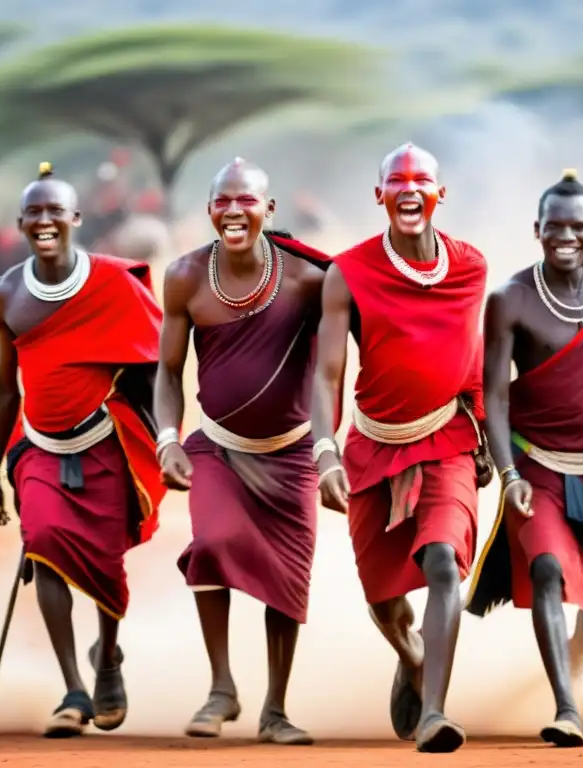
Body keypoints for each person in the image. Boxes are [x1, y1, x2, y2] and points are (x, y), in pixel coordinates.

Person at [311, 143, 492, 754]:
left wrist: (492, 439)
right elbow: (327, 374)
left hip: (447, 440)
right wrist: (325, 451)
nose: (409, 190)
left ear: (441, 194)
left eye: (422, 181)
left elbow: (478, 359)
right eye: (397, 181)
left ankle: (436, 712)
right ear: (379, 195)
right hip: (373, 446)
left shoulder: (471, 267)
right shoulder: (348, 273)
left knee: (443, 562)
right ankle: (410, 653)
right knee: (385, 602)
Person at [466, 169, 583, 747]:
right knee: (548, 568)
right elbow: (493, 394)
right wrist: (508, 474)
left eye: (578, 226)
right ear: (537, 230)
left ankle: (576, 652)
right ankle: (566, 707)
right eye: (555, 226)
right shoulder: (510, 299)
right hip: (536, 466)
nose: (565, 235)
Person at [0, 162, 166, 738]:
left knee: (106, 564)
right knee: (44, 542)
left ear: (76, 219)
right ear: (19, 223)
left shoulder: (114, 285)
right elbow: (5, 386)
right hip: (37, 447)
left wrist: (169, 442)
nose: (44, 221)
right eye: (33, 212)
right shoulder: (3, 294)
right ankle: (73, 691)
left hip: (104, 445)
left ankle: (107, 658)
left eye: (55, 211)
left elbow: (154, 372)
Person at [155, 158, 332, 746]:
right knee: (211, 543)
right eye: (222, 202)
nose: (234, 211)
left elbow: (339, 365)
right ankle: (222, 688)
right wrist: (168, 438)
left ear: (269, 210)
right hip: (218, 450)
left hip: (292, 454)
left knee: (288, 579)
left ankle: (275, 711)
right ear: (209, 211)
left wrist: (332, 450)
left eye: (246, 201)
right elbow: (167, 371)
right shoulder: (184, 277)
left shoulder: (311, 280)